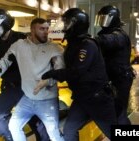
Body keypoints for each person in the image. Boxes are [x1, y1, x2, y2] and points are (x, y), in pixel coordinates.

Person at [41, 8, 117, 140]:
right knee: (69, 131)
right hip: (82, 98)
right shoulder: (73, 44)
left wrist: (53, 74)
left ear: (76, 24)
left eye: (67, 23)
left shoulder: (87, 45)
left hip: (97, 99)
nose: (64, 26)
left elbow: (76, 71)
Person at [0, 9, 49, 141]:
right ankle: (11, 138)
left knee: (36, 121)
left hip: (27, 87)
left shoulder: (22, 38)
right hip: (9, 87)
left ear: (6, 24)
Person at [0, 18, 65, 141]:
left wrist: (47, 81)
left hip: (47, 100)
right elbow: (6, 60)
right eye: (42, 29)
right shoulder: (19, 45)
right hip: (27, 99)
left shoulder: (55, 48)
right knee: (14, 126)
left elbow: (60, 72)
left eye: (47, 29)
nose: (46, 32)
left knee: (54, 134)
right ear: (32, 30)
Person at [94, 5, 135, 125]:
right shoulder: (106, 33)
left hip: (121, 79)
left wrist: (89, 40)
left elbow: (109, 41)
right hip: (113, 77)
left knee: (119, 113)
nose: (102, 22)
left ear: (113, 19)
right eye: (100, 18)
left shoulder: (119, 35)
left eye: (105, 18)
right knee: (113, 112)